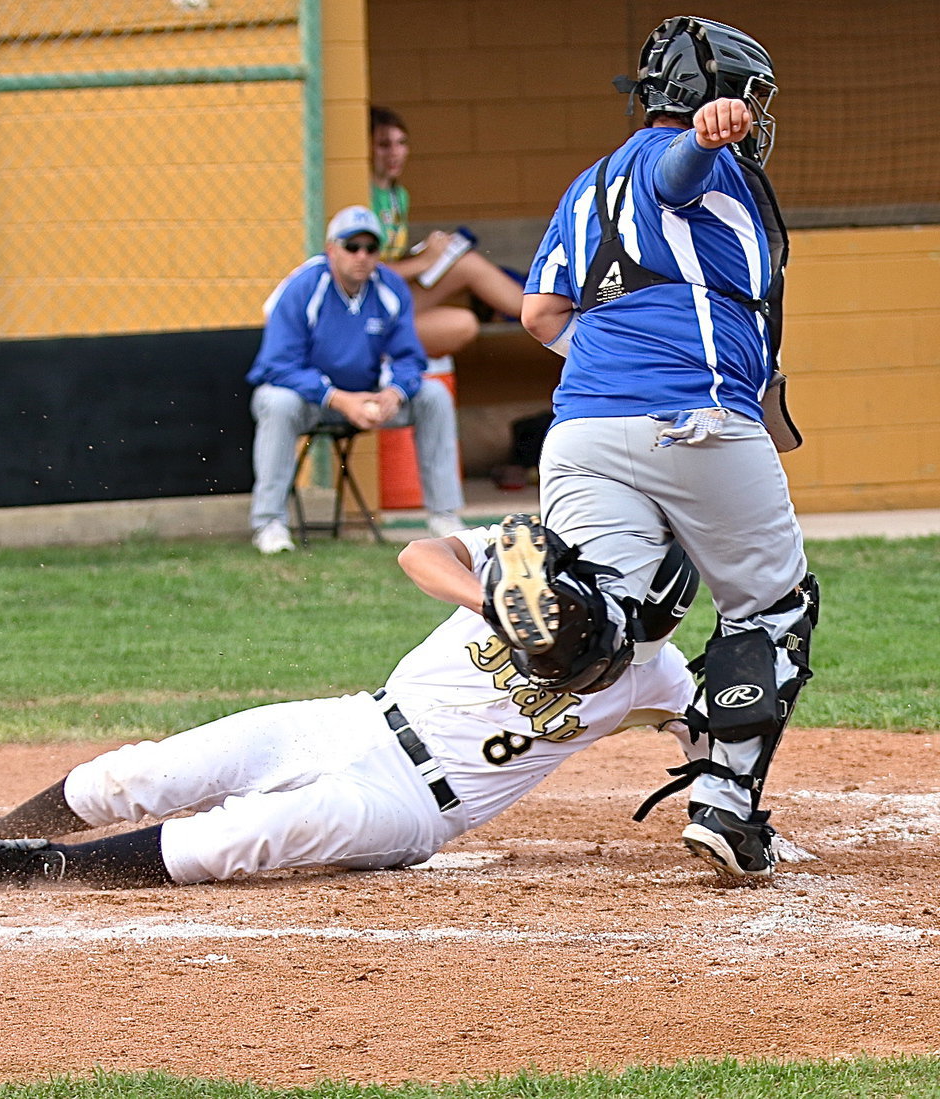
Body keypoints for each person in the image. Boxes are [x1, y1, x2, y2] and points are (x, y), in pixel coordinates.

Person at [0, 518, 709, 891]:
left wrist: (726, 797)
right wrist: (492, 602)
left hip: (409, 805)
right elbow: (422, 552)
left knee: (243, 836)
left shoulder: (656, 674)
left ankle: (41, 868)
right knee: (145, 772)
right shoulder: (535, 574)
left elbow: (710, 729)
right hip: (351, 716)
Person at [516, 16, 817, 881]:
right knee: (773, 608)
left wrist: (620, 366)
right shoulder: (681, 155)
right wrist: (704, 134)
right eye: (747, 95)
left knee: (623, 620)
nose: (755, 114)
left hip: (579, 429)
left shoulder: (585, 186)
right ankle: (727, 804)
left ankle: (547, 599)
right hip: (693, 417)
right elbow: (675, 170)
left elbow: (542, 316)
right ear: (706, 91)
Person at [246, 204, 466, 554]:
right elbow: (277, 366)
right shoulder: (304, 286)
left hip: (367, 398)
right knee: (277, 401)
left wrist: (394, 392)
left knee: (433, 395)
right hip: (309, 401)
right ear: (332, 248)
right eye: (352, 247)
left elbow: (409, 356)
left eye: (371, 248)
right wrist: (338, 398)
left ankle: (445, 516)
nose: (362, 256)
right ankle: (269, 523)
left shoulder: (389, 287)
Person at [370, 106, 525, 358]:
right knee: (463, 324)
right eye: (383, 145)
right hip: (367, 308)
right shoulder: (362, 194)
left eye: (402, 143)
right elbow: (366, 269)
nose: (395, 153)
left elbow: (390, 260)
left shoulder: (398, 195)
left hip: (392, 293)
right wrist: (424, 261)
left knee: (467, 263)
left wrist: (434, 252)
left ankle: (548, 316)